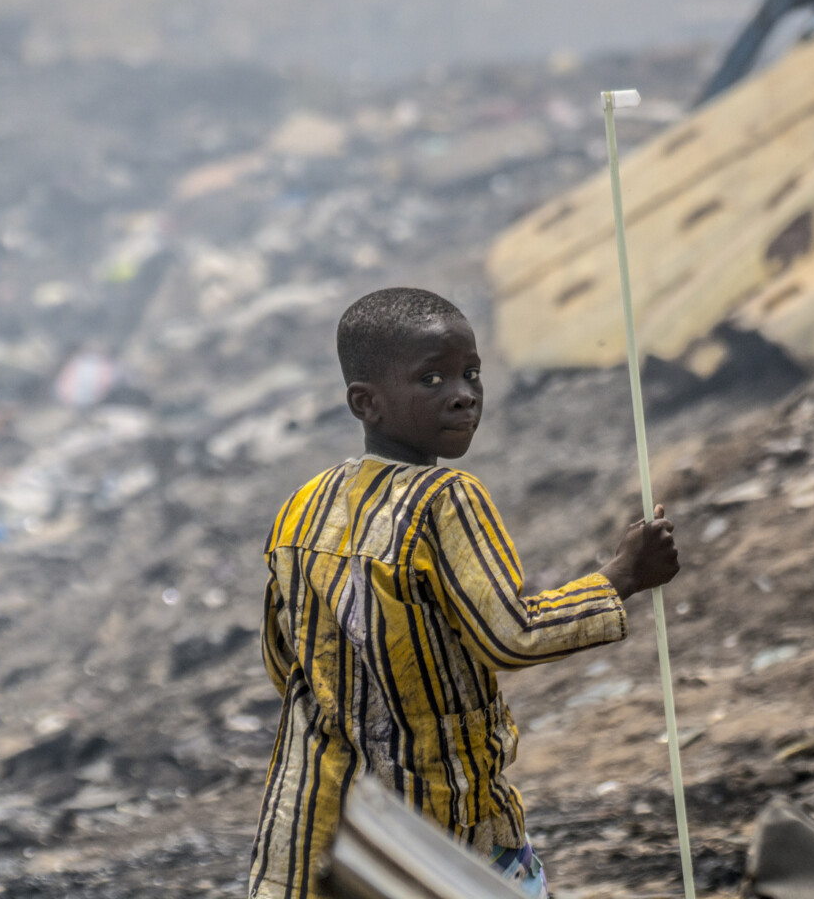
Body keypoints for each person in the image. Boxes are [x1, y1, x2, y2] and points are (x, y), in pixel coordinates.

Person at [249, 287, 682, 899]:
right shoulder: (444, 500)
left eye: (471, 373)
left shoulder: (304, 504)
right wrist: (623, 576)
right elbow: (514, 635)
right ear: (365, 403)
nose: (464, 393)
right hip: (436, 827)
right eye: (432, 378)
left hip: (314, 823)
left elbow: (282, 659)